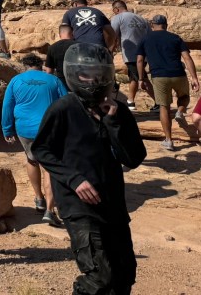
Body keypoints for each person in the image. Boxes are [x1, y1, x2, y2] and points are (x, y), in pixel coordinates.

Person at [33, 43, 145, 295]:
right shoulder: (63, 108)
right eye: (86, 74)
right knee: (99, 275)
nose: (94, 80)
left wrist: (113, 122)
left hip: (112, 204)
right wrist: (74, 180)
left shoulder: (119, 110)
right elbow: (42, 150)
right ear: (74, 75)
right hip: (78, 205)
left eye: (100, 73)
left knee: (124, 273)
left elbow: (134, 158)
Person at [1, 53, 68, 226]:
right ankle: (50, 210)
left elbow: (7, 105)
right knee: (49, 167)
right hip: (49, 128)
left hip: (24, 129)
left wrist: (7, 128)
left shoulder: (16, 80)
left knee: (32, 160)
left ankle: (39, 198)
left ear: (25, 66)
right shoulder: (53, 80)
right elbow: (66, 103)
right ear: (41, 65)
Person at [136, 14, 201, 151]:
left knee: (164, 107)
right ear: (166, 25)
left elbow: (140, 61)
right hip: (178, 73)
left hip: (159, 77)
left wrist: (141, 79)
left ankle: (169, 140)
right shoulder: (175, 37)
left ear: (152, 25)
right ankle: (180, 112)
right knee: (184, 97)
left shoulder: (145, 39)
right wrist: (194, 77)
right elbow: (187, 58)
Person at [108, 1, 151, 109]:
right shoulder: (142, 19)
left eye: (114, 11)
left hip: (131, 54)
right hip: (144, 54)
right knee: (134, 77)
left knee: (142, 78)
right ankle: (131, 101)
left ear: (116, 9)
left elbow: (112, 35)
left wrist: (110, 51)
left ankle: (159, 102)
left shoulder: (118, 18)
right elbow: (150, 36)